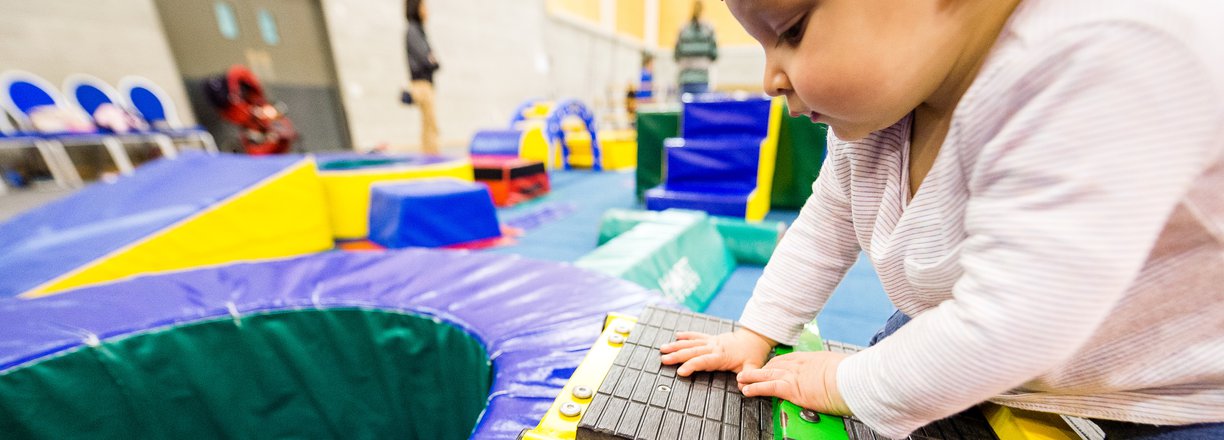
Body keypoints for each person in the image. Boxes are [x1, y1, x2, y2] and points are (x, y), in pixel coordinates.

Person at [660, 0, 1224, 438]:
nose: (770, 79)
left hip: (1174, 393)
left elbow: (1017, 322)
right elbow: (825, 227)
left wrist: (842, 381)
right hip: (989, 328)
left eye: (792, 31)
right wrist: (758, 331)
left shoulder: (1094, 56)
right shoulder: (880, 110)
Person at [403, 0, 440, 155]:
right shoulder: (413, 30)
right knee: (430, 124)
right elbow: (426, 58)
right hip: (421, 84)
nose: (426, 10)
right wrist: (432, 61)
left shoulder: (419, 30)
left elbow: (433, 59)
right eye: (423, 7)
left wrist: (433, 61)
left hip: (425, 82)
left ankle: (430, 154)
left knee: (428, 124)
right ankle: (431, 155)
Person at [673, 0, 717, 96]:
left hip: (685, 80)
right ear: (703, 10)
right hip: (702, 79)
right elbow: (714, 55)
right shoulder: (709, 29)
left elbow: (676, 55)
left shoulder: (682, 29)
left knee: (684, 110)